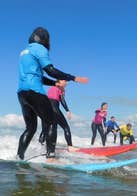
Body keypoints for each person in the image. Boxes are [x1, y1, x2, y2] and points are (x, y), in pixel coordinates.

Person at [17, 27, 88, 160]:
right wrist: (73, 78)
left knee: (30, 128)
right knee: (51, 122)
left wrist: (55, 83)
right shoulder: (40, 49)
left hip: (22, 93)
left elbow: (38, 76)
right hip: (35, 92)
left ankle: (19, 157)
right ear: (44, 39)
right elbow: (50, 70)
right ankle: (51, 157)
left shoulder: (24, 52)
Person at [39, 80, 73, 150]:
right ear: (59, 83)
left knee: (45, 130)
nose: (66, 83)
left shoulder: (51, 88)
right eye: (64, 81)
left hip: (44, 108)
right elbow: (62, 100)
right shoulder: (59, 88)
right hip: (54, 108)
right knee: (66, 127)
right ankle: (70, 147)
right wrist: (67, 110)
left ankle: (41, 147)